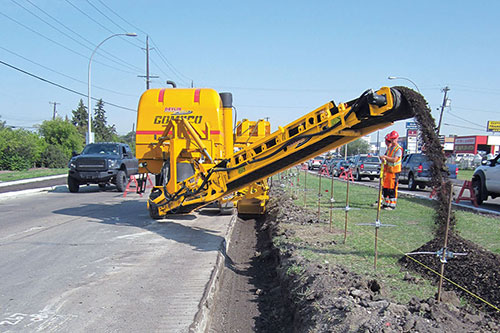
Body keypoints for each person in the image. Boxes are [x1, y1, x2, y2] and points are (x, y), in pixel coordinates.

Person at [380, 131, 403, 210]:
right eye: (391, 139)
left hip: (394, 172)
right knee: (386, 188)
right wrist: (383, 159)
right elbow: (387, 158)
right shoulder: (390, 148)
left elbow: (394, 160)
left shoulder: (398, 149)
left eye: (394, 139)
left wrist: (385, 157)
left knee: (392, 189)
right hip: (388, 171)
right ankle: (386, 204)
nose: (393, 140)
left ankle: (392, 205)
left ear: (397, 139)